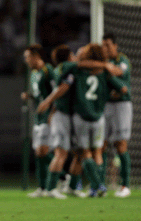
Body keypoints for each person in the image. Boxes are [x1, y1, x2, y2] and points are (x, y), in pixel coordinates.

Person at [38, 44, 128, 197]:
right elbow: (123, 89)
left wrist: (48, 103)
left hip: (80, 117)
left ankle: (93, 186)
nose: (76, 56)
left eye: (79, 53)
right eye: (74, 54)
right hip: (98, 117)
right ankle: (93, 187)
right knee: (95, 152)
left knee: (83, 153)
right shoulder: (102, 72)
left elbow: (65, 86)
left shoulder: (77, 71)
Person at [40, 44, 85, 198]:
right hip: (63, 116)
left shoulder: (60, 69)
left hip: (67, 115)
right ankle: (50, 188)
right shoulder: (68, 67)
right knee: (61, 152)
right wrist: (48, 102)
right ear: (68, 57)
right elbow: (63, 87)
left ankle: (72, 187)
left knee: (78, 152)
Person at [21, 44, 55, 198]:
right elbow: (39, 95)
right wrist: (30, 96)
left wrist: (52, 113)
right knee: (39, 152)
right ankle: (42, 188)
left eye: (28, 57)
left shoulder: (48, 70)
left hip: (49, 116)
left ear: (36, 56)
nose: (26, 60)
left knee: (44, 151)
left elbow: (56, 93)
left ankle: (59, 177)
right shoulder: (34, 73)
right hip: (38, 116)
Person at [102, 33, 132, 198]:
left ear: (115, 45)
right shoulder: (104, 63)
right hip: (106, 105)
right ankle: (100, 186)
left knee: (120, 144)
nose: (105, 48)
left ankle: (125, 185)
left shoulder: (123, 60)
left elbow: (119, 72)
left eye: (108, 45)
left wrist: (107, 69)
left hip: (121, 106)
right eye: (103, 45)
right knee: (102, 144)